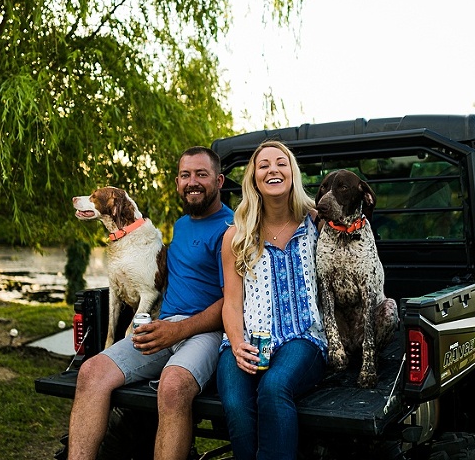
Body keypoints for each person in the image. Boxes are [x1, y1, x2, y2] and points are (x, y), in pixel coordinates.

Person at [67, 146, 234, 460]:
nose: (193, 182)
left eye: (202, 174)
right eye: (186, 175)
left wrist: (178, 330)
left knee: (172, 386)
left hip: (206, 332)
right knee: (91, 372)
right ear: (177, 183)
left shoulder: (232, 229)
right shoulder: (181, 225)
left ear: (219, 180)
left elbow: (233, 303)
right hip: (161, 328)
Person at [217, 140, 328, 460]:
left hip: (302, 337)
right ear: (254, 179)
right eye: (263, 165)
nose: (273, 169)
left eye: (281, 163)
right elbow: (232, 303)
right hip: (250, 338)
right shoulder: (236, 235)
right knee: (237, 406)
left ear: (292, 172)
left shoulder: (316, 222)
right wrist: (237, 344)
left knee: (274, 388)